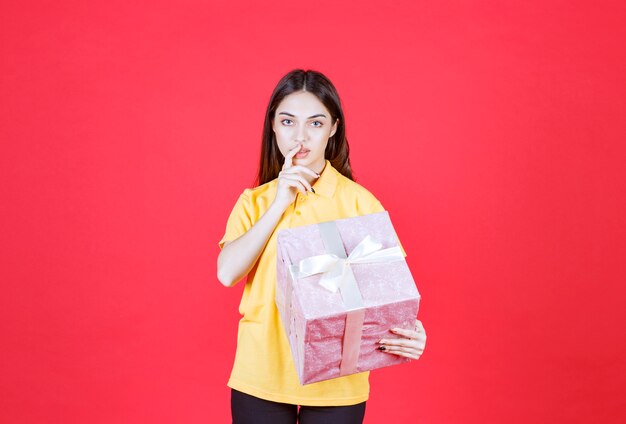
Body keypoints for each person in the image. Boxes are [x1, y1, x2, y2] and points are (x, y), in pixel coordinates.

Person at [217, 69, 427, 424]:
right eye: (288, 122)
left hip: (338, 378)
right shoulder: (255, 202)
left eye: (315, 124)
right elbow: (227, 274)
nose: (300, 136)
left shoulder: (361, 203)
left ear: (333, 128)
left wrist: (413, 330)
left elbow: (388, 292)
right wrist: (279, 201)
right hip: (261, 375)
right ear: (273, 126)